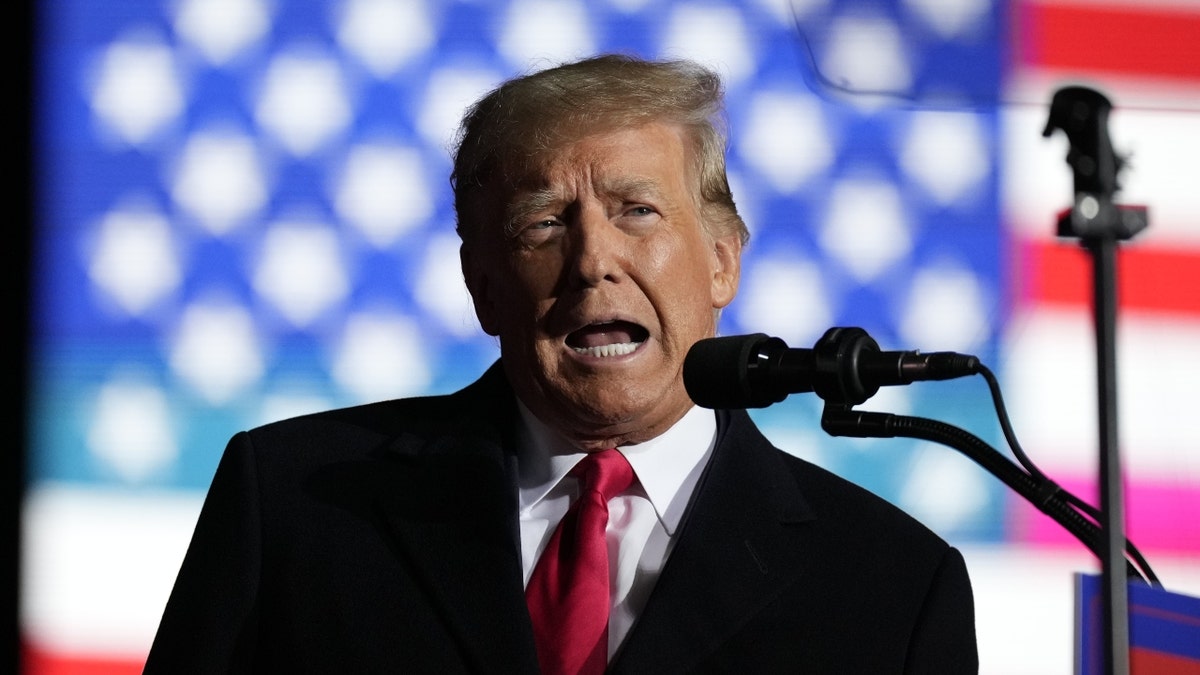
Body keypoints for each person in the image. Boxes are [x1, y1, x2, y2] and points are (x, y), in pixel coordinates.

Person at [143, 54, 978, 673]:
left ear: (722, 260)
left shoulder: (891, 585)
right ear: (483, 286)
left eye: (637, 210)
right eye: (543, 223)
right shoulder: (294, 503)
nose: (593, 261)